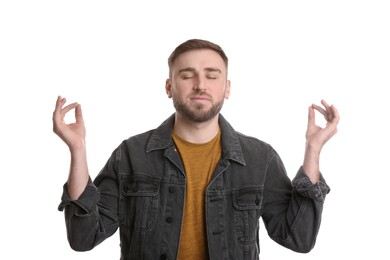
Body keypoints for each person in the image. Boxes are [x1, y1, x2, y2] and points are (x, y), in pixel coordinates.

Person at [53, 39, 340, 260]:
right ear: (169, 86)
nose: (200, 85)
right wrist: (77, 149)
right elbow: (83, 237)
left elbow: (298, 238)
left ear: (227, 88)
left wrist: (313, 149)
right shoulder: (131, 154)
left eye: (212, 76)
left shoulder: (259, 159)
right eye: (187, 75)